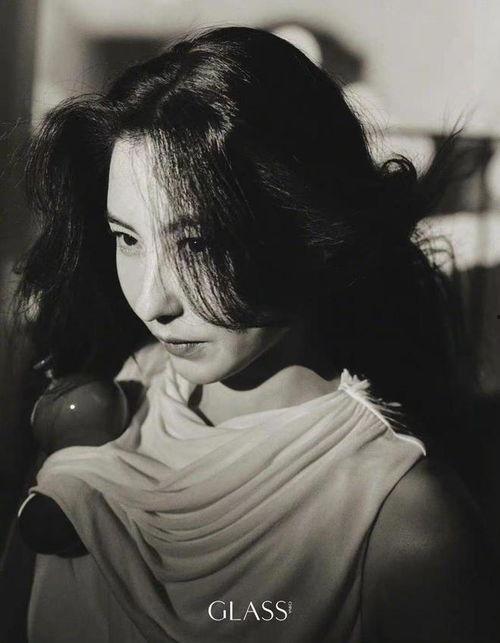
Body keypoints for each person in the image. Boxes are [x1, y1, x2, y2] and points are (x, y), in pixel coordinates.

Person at [14, 26, 497, 643]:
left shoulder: (405, 525)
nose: (152, 301)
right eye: (128, 238)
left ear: (310, 228)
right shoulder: (109, 395)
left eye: (197, 243)